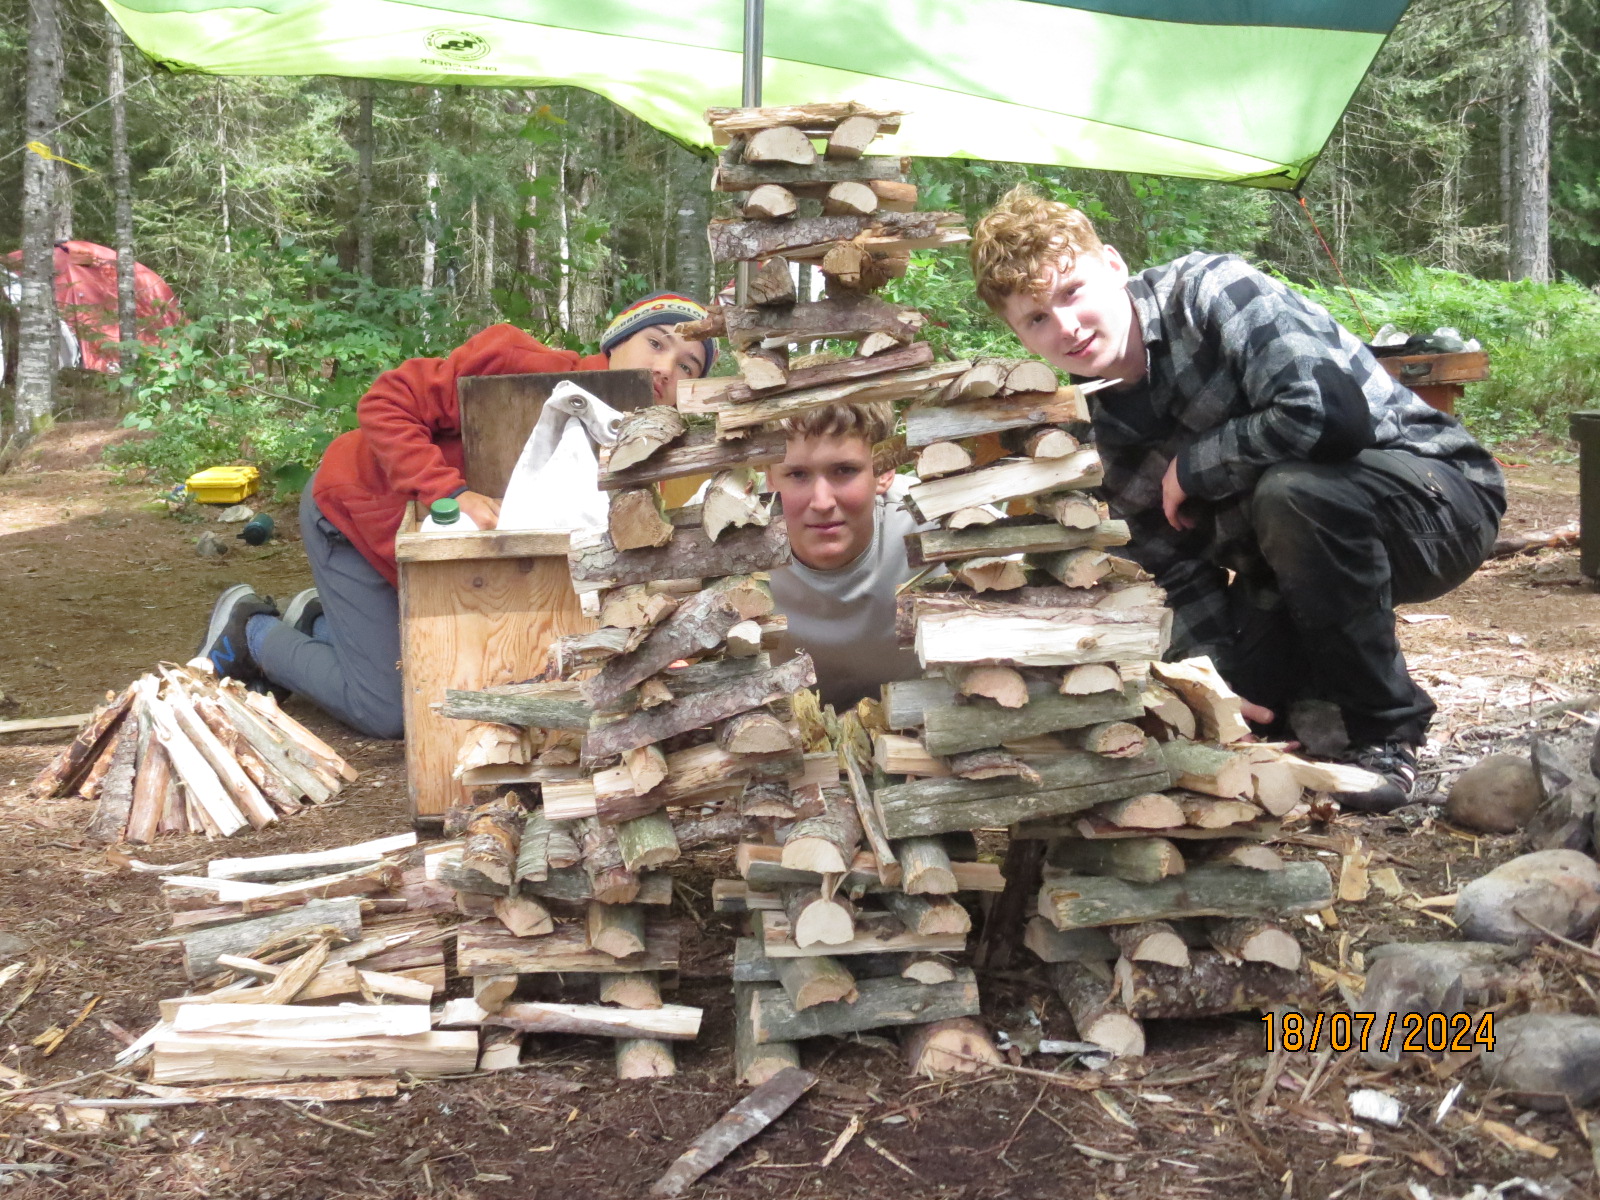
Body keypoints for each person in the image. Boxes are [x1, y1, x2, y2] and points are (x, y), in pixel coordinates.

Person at [969, 186, 1505, 811]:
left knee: (1294, 492)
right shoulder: (1093, 432)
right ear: (1019, 335)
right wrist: (1212, 688)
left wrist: (1196, 465)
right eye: (1035, 318)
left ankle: (1385, 730)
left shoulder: (1210, 291)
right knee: (1254, 703)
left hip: (1437, 502)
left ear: (1112, 266)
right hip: (1285, 566)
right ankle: (1309, 703)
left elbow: (1331, 417)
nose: (1065, 326)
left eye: (1072, 292)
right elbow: (1169, 571)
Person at [195, 293, 718, 739]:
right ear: (616, 341)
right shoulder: (524, 364)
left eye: (687, 366)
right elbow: (385, 401)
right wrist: (452, 492)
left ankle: (317, 621)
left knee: (485, 681)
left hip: (452, 568)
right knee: (388, 710)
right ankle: (252, 633)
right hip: (356, 511)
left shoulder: (647, 458)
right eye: (656, 343)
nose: (664, 369)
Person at [764, 400, 926, 711]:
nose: (822, 502)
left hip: (915, 738)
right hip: (772, 738)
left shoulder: (935, 517)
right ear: (769, 476)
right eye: (798, 474)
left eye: (844, 470)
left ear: (885, 470)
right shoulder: (725, 527)